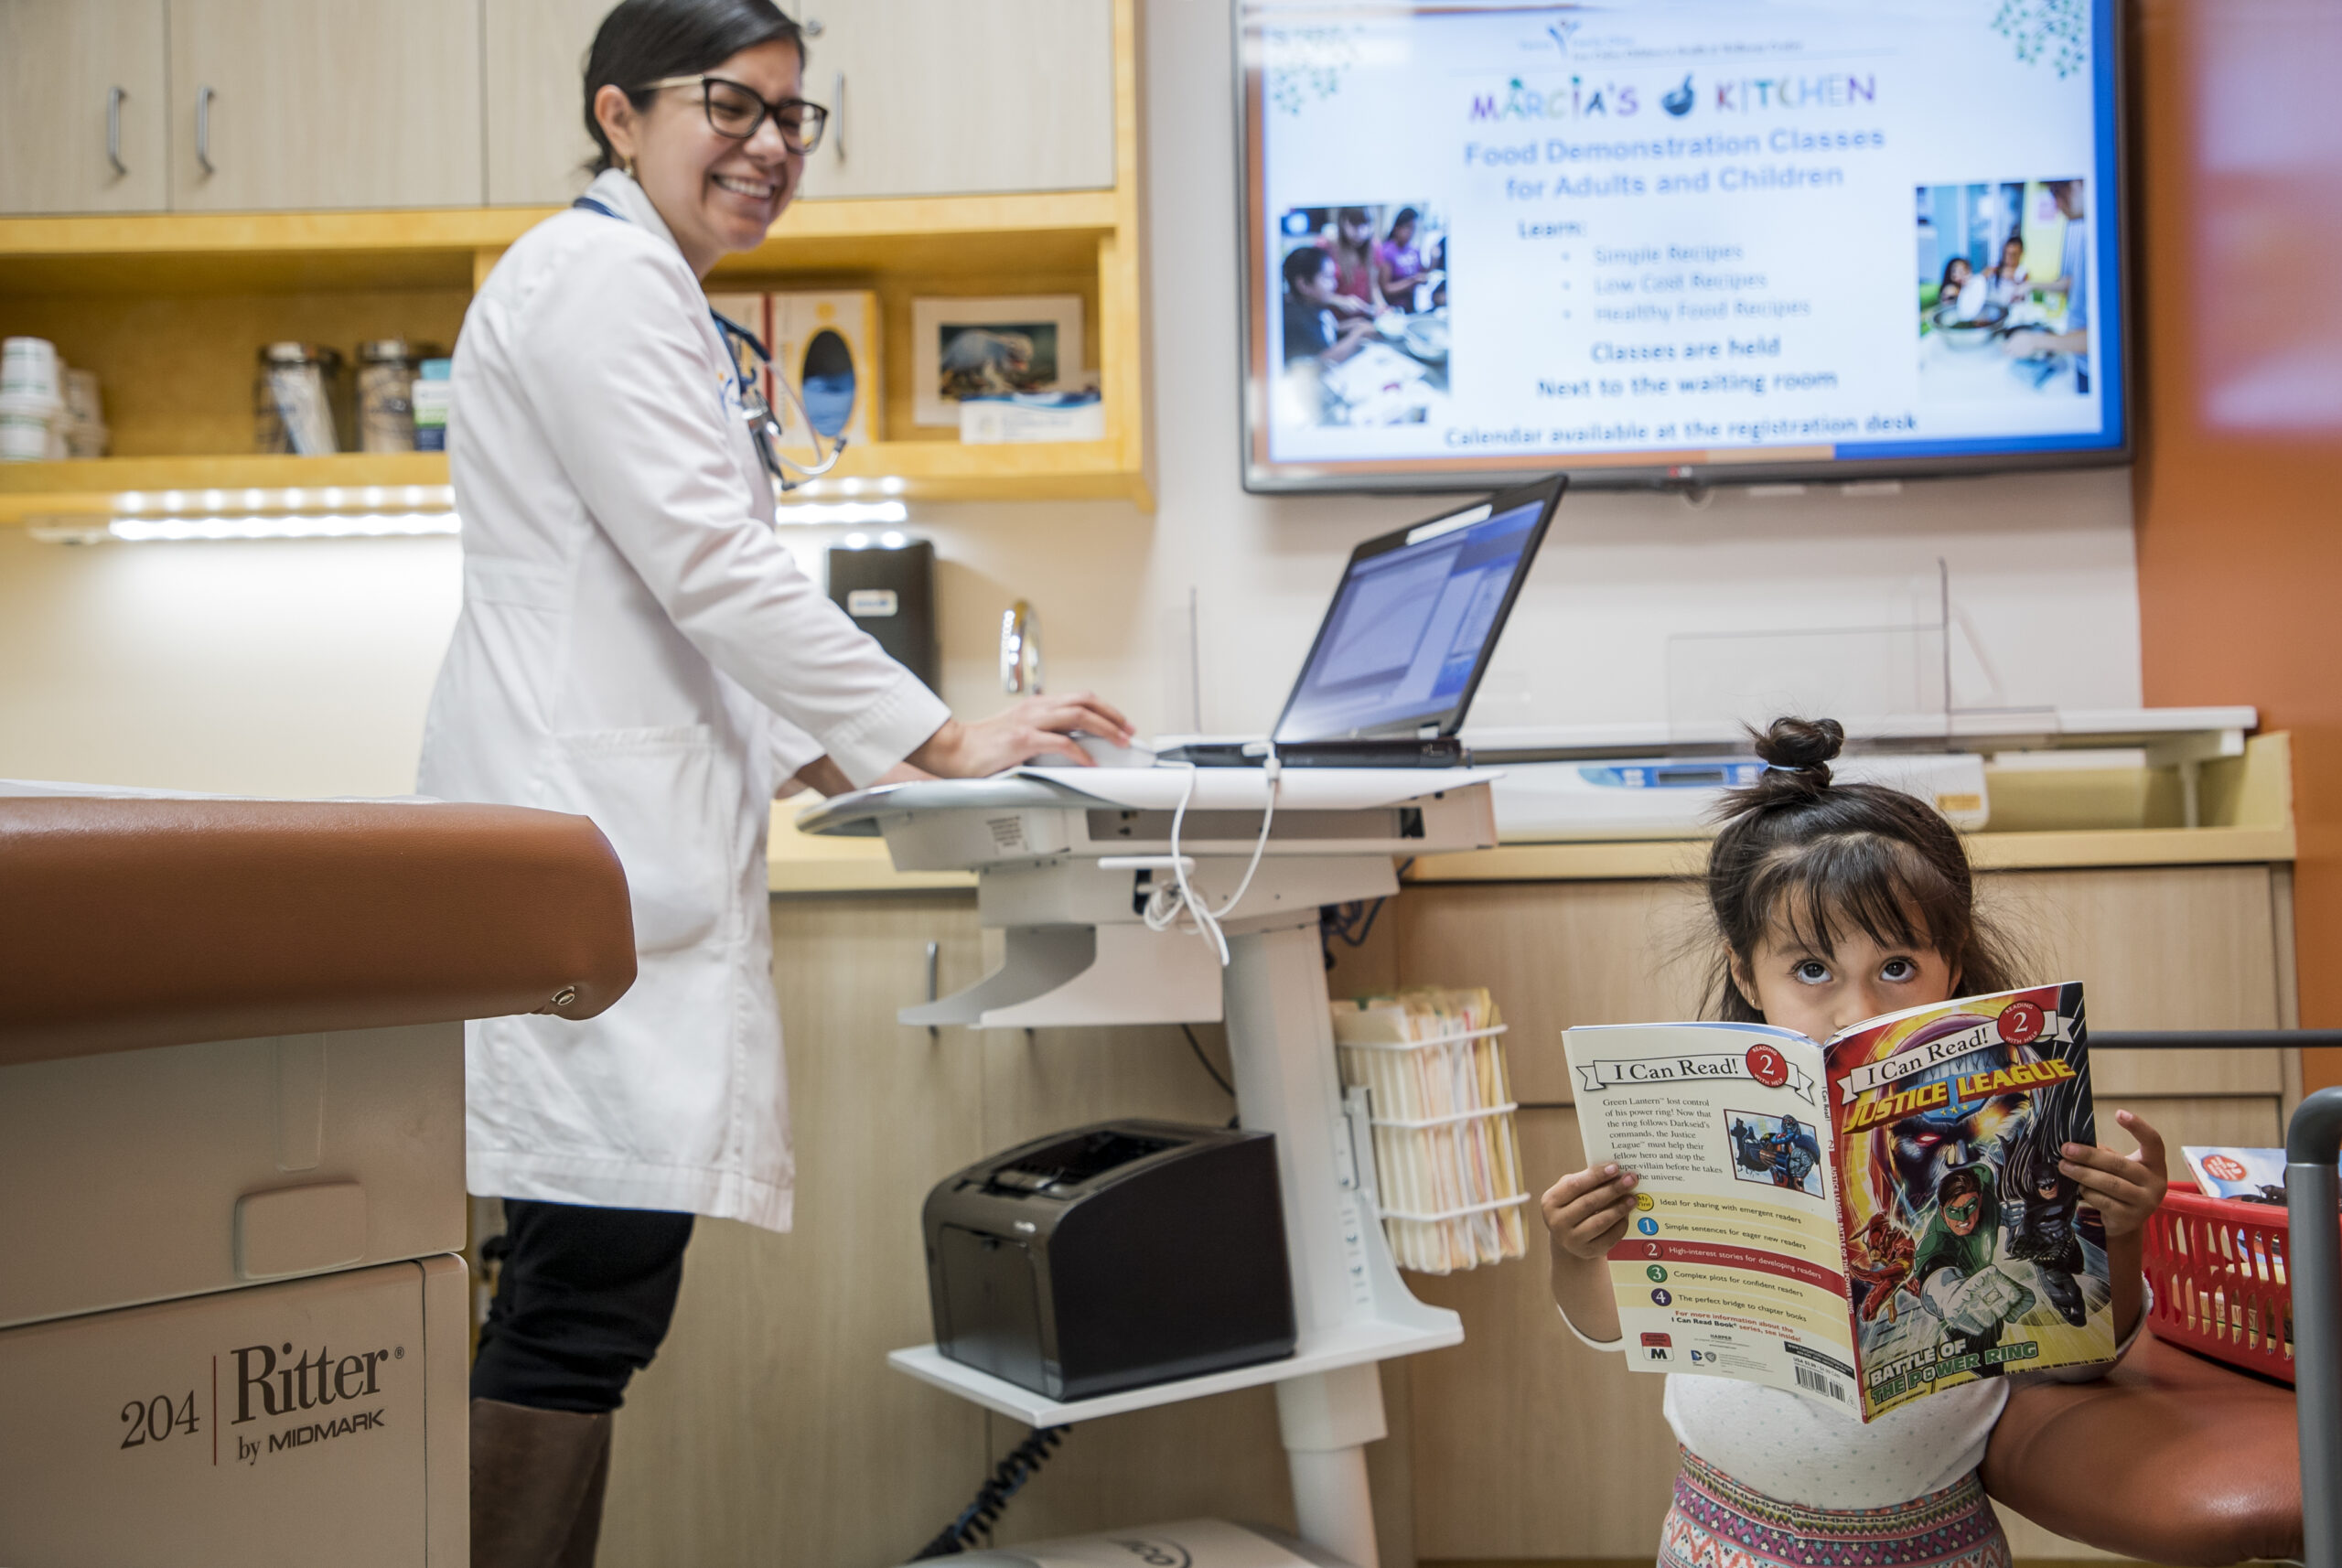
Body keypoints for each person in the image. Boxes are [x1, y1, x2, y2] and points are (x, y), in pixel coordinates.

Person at [417, 2, 1132, 1561]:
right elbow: (711, 566)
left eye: (794, 118)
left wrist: (832, 753)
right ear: (619, 115)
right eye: (728, 107)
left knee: (581, 1302)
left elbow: (670, 600)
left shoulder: (634, 289)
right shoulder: (601, 283)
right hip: (583, 863)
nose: (767, 146)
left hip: (603, 847)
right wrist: (931, 739)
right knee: (578, 1308)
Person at [1540, 716, 2167, 1568]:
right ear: (1742, 971)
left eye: (1897, 967)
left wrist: (2119, 1238)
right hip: (1722, 1540)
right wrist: (1577, 1252)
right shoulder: (1687, 1127)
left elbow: (2076, 1365)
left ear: (1953, 961)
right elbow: (1615, 1325)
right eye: (1811, 970)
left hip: (1933, 1545)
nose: (1860, 1010)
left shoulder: (2014, 1127)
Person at [1282, 246, 1374, 368]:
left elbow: (1325, 329)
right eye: (1327, 278)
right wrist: (1358, 333)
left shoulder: (1312, 303)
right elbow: (1323, 361)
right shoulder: (1297, 321)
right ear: (1304, 284)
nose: (1334, 284)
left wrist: (1354, 324)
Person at [1327, 207, 1383, 317]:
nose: (1361, 232)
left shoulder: (1374, 247)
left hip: (1361, 318)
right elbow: (1313, 293)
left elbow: (1373, 286)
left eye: (1366, 225)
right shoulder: (1327, 246)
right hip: (1332, 319)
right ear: (1342, 222)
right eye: (1354, 225)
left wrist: (1382, 307)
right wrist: (1341, 301)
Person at [1375, 208, 1430, 312]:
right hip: (1393, 309)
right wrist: (1412, 282)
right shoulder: (1387, 251)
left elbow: (1423, 274)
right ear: (1397, 228)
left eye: (1414, 229)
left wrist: (1433, 260)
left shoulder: (1414, 250)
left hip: (1411, 306)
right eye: (1408, 227)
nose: (1411, 232)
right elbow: (1386, 288)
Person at [1989, 233, 2030, 307]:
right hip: (1997, 306)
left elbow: (2024, 296)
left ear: (2021, 253)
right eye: (2008, 253)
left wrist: (2015, 281)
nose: (2010, 257)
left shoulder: (2023, 273)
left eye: (2014, 254)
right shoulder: (1997, 268)